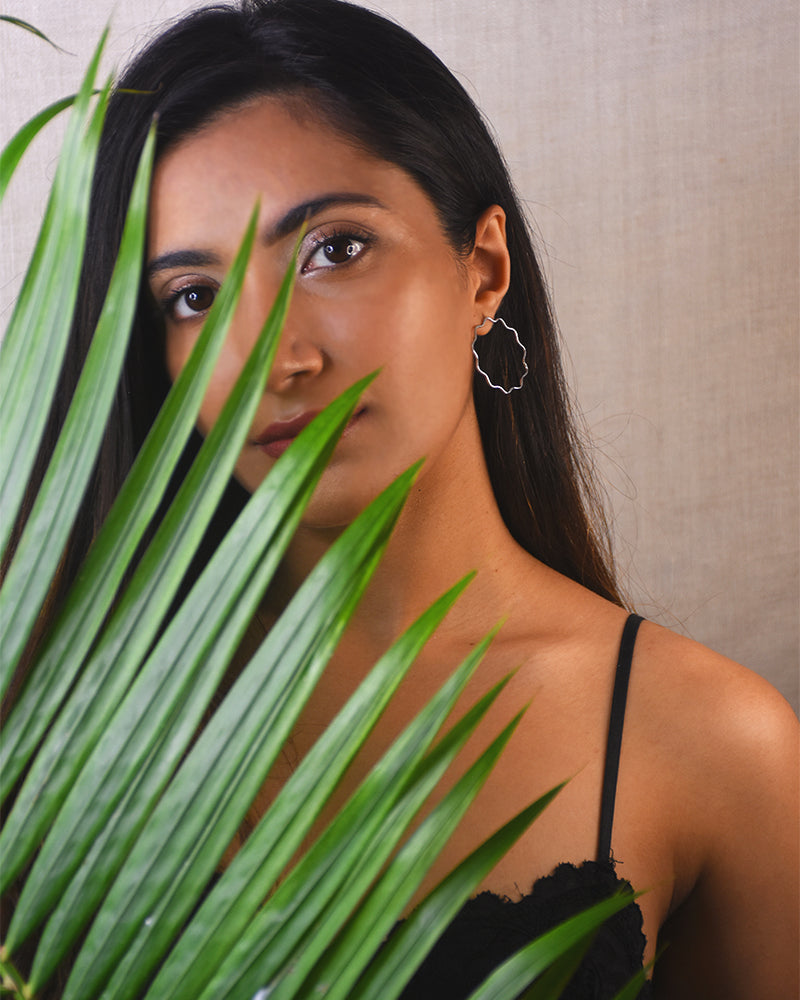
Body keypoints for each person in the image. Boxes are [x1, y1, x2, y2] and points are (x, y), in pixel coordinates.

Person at [12, 0, 799, 996]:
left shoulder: (709, 743)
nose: (276, 359)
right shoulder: (58, 720)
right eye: (194, 298)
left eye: (332, 249)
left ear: (483, 270)